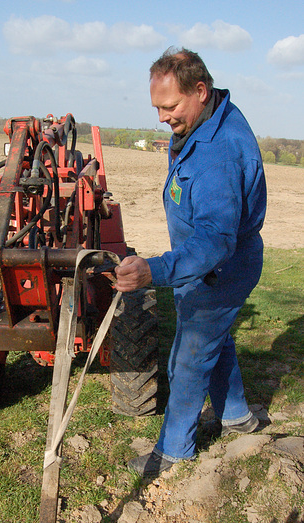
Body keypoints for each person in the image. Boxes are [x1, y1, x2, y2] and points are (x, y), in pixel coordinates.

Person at [115, 47, 267, 478]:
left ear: (200, 91)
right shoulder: (203, 121)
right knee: (213, 339)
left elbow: (216, 240)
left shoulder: (220, 152)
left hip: (220, 268)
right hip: (198, 263)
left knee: (188, 355)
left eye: (170, 106)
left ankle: (175, 450)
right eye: (157, 108)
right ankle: (237, 415)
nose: (162, 117)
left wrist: (155, 270)